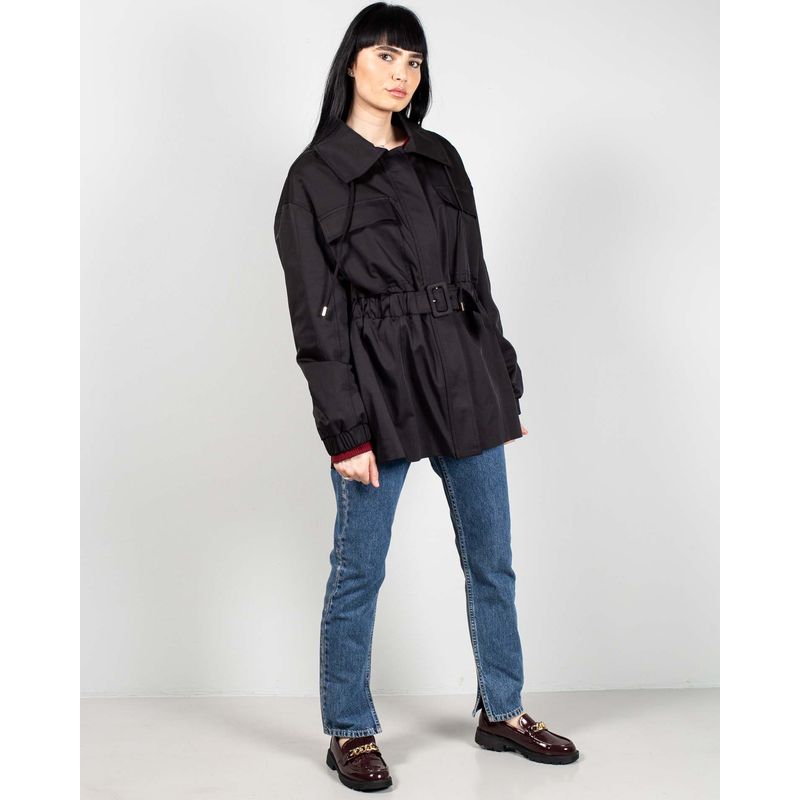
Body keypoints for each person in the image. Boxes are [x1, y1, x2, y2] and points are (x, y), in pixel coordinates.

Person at [273, 3, 579, 791]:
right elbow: (315, 318)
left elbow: (475, 277)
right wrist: (344, 430)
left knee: (491, 560)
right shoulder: (314, 177)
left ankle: (503, 710)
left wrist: (501, 378)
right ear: (351, 62)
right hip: (378, 387)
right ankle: (350, 729)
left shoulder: (440, 157)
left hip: (465, 376)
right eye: (386, 55)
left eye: (413, 60)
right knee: (359, 568)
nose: (402, 73)